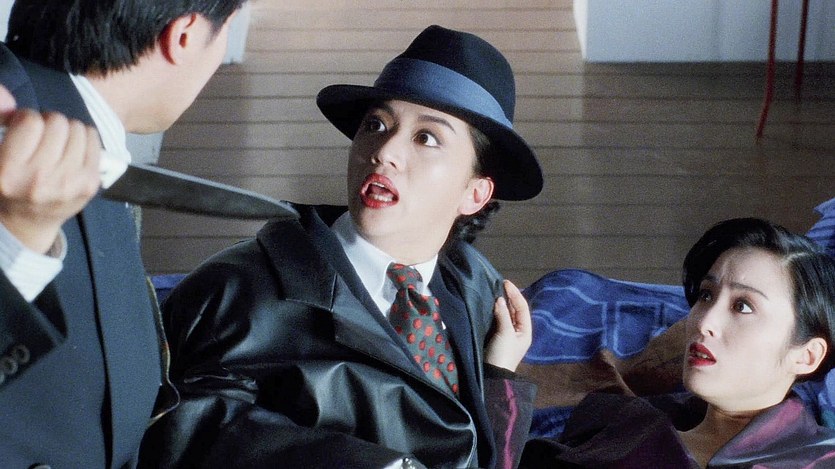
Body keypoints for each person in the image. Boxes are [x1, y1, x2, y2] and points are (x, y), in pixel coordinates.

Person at [140, 25, 542, 469]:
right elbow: (188, 436)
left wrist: (499, 375)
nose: (384, 151)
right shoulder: (236, 292)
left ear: (475, 194)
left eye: (426, 137)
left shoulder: (476, 289)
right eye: (376, 124)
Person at [0, 1, 246, 467]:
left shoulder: (88, 130)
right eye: (228, 31)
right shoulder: (10, 114)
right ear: (186, 36)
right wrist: (15, 241)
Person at [520, 217, 835, 468]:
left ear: (807, 356)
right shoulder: (620, 420)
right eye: (706, 295)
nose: (704, 322)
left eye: (742, 306)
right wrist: (501, 374)